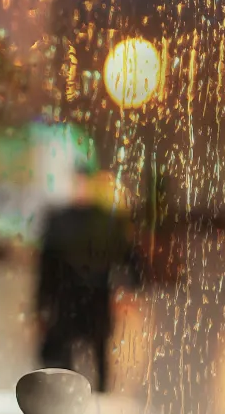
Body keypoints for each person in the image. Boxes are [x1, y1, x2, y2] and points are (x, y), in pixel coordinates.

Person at [36, 168, 144, 393]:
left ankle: (69, 398)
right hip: (89, 297)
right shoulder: (104, 222)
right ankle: (92, 400)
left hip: (74, 299)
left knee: (74, 356)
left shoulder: (64, 221)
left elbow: (47, 266)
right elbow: (129, 256)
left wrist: (41, 305)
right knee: (92, 354)